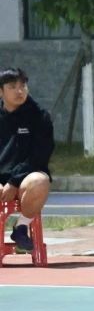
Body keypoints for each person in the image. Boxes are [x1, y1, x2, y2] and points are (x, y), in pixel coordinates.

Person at [0, 67, 54, 253]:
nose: (19, 91)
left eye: (23, 86)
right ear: (1, 91)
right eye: (12, 87)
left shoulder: (39, 116)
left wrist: (14, 181)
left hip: (26, 176)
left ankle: (21, 227)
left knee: (40, 181)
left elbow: (40, 155)